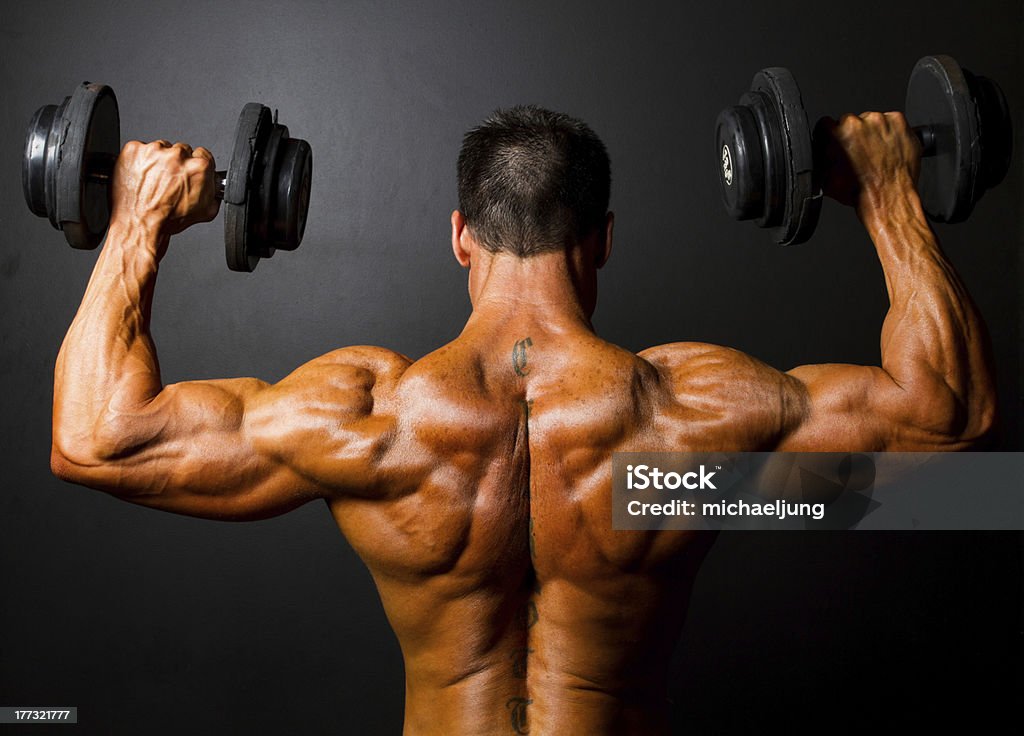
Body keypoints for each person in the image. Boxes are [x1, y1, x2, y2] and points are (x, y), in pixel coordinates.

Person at [50, 105, 995, 735]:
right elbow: (951, 431)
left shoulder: (376, 427)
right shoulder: (683, 429)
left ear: (461, 234)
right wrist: (889, 195)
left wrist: (139, 220)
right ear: (604, 240)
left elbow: (93, 437)